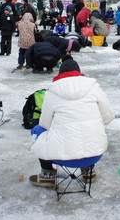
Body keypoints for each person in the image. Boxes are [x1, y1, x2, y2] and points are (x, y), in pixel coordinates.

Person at [29, 55, 114, 187]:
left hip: (62, 157)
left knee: (37, 130)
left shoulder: (52, 92)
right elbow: (108, 117)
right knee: (89, 130)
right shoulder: (93, 87)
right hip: (94, 154)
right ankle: (88, 171)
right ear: (79, 73)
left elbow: (45, 124)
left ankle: (48, 175)